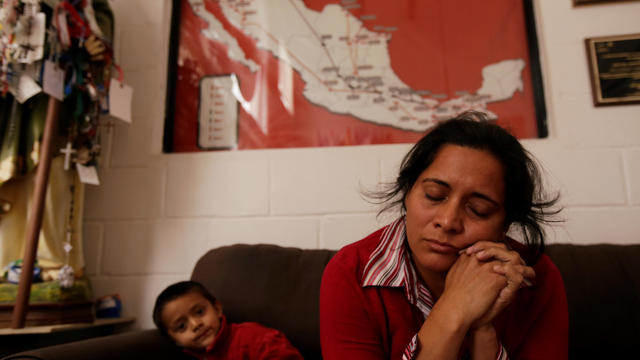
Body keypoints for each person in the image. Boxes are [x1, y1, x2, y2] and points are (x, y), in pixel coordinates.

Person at [320, 111, 568, 359]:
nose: (448, 221)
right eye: (434, 196)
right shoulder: (351, 272)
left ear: (505, 224)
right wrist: (454, 310)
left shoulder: (538, 279)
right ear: (408, 191)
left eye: (478, 210)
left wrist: (482, 331)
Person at [153, 281, 303, 360]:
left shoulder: (254, 337)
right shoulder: (194, 355)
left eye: (199, 312)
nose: (196, 324)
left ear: (217, 309)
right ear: (174, 340)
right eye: (181, 326)